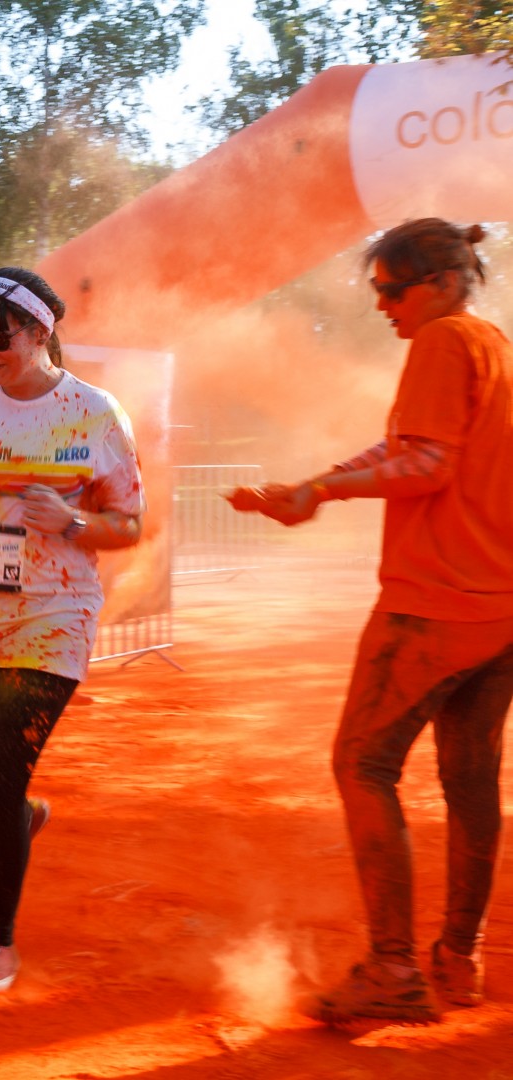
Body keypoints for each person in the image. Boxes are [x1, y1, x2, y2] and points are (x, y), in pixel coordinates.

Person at [236, 220, 513, 1024]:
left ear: (442, 282)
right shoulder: (491, 343)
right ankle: (460, 960)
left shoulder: (440, 342)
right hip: (497, 604)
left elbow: (428, 466)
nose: (384, 306)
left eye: (393, 289)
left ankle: (393, 969)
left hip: (433, 604)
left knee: (362, 763)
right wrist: (315, 482)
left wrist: (320, 494)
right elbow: (408, 444)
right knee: (469, 780)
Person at [0, 267, 144, 994]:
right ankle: (15, 815)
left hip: (52, 613)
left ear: (41, 332)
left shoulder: (95, 413)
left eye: (0, 336)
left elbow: (130, 523)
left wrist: (75, 522)